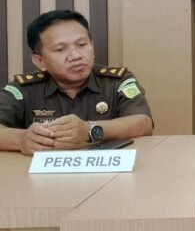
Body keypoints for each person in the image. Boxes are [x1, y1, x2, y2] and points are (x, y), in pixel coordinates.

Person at [0, 9, 153, 155]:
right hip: (39, 171)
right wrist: (21, 140)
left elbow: (143, 123)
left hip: (106, 168)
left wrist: (89, 130)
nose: (75, 55)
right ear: (40, 61)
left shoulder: (117, 82)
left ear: (92, 46)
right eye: (60, 49)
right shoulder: (23, 90)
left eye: (82, 45)